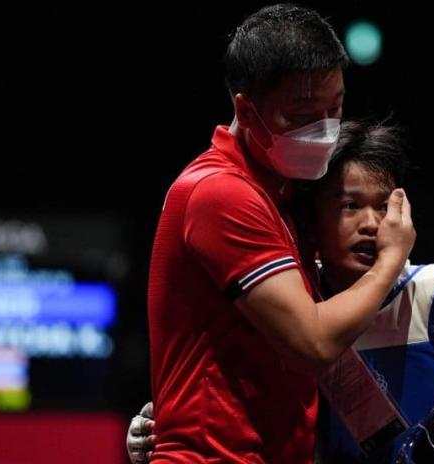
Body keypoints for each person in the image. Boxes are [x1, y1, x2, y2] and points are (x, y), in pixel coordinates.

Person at [134, 120, 434, 463]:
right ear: (311, 222)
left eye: (382, 206)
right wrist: (159, 426)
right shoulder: (292, 304)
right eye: (349, 206)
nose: (372, 224)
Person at [146, 4, 416, 463]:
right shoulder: (220, 194)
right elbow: (313, 345)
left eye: (335, 107)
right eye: (303, 115)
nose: (325, 130)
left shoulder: (283, 194)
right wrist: (391, 260)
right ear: (245, 109)